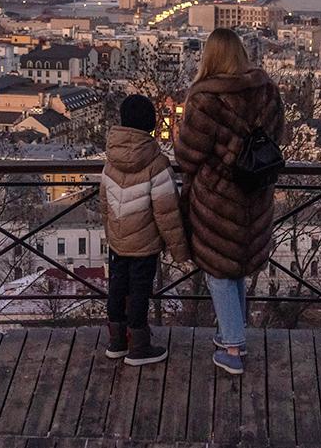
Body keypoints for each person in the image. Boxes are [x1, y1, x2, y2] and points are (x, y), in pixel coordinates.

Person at [174, 28, 284, 375]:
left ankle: (234, 347)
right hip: (256, 192)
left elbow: (188, 155)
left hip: (218, 201)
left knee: (219, 272)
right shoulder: (267, 91)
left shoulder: (206, 99)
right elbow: (278, 136)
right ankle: (228, 335)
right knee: (235, 268)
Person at [99, 94, 190, 366]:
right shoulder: (157, 164)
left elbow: (104, 204)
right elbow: (167, 213)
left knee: (117, 288)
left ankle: (117, 341)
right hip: (145, 243)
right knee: (139, 291)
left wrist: (110, 233)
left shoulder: (110, 160)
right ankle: (139, 345)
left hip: (118, 241)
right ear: (150, 125)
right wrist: (180, 250)